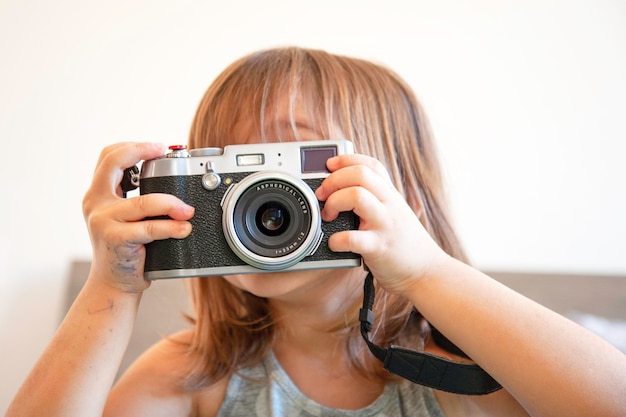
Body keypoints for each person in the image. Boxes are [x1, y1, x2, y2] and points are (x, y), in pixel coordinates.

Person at [7, 47, 626, 417]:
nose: (250, 197)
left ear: (397, 187)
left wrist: (426, 270)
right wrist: (111, 290)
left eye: (285, 161)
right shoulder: (195, 375)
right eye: (225, 167)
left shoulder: (466, 372)